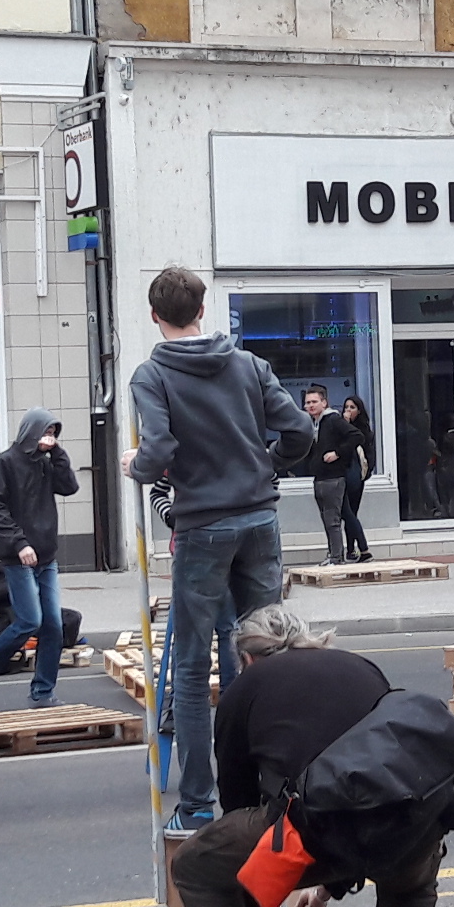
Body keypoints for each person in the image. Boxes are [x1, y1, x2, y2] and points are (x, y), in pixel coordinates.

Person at [127, 264, 311, 833]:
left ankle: (198, 803)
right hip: (258, 518)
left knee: (189, 666)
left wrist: (137, 467)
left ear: (155, 316)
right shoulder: (248, 364)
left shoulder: (153, 375)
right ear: (202, 310)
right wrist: (267, 465)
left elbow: (158, 448)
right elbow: (300, 431)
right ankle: (271, 788)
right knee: (267, 653)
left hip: (203, 526)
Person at [169, 607, 454, 907]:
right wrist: (323, 893)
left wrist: (255, 902)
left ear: (247, 659)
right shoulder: (359, 666)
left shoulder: (245, 686)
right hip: (411, 821)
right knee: (409, 886)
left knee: (195, 865)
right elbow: (364, 793)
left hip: (321, 829)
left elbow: (239, 803)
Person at [0, 407, 80, 710]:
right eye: (46, 432)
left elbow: (69, 487)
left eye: (53, 433)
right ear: (31, 432)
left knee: (53, 626)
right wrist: (19, 543)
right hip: (18, 557)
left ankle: (42, 692)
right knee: (30, 620)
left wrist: (58, 454)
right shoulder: (6, 462)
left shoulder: (46, 463)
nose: (50, 438)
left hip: (46, 556)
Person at [295, 386, 353, 567]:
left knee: (332, 520)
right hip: (319, 478)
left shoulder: (333, 419)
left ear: (324, 402)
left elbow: (355, 436)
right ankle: (333, 554)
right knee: (328, 519)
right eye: (307, 403)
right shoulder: (315, 423)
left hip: (333, 478)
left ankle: (336, 557)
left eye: (314, 402)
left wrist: (337, 453)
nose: (310, 406)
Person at [334, 395, 379, 562]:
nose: (348, 411)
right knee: (348, 514)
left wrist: (366, 474)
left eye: (352, 407)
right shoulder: (340, 428)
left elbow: (370, 455)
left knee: (350, 513)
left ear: (359, 411)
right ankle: (352, 549)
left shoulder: (363, 432)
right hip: (344, 475)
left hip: (355, 477)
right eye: (346, 407)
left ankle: (361, 549)